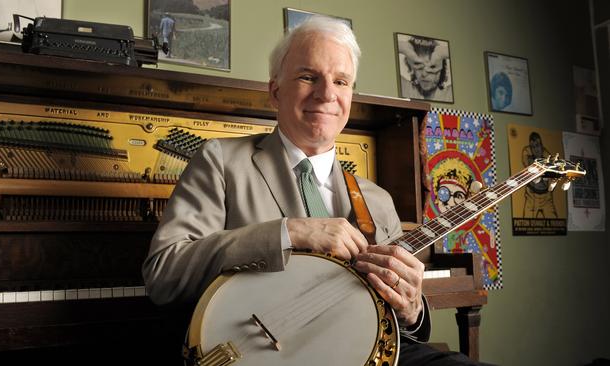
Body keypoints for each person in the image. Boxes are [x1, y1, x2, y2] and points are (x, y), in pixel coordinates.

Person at [143, 16, 484, 366]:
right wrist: (289, 231)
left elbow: (400, 326)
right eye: (308, 77)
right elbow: (164, 275)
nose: (327, 94)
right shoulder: (221, 161)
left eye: (341, 81)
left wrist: (413, 308)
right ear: (276, 91)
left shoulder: (378, 200)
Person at [398, 34, 452, 102]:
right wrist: (404, 47)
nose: (424, 74)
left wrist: (443, 52)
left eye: (432, 67)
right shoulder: (406, 89)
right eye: (419, 66)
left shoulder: (449, 95)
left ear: (441, 70)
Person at [521, 132, 558, 218]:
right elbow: (529, 165)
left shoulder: (547, 156)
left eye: (537, 145)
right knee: (526, 223)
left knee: (553, 221)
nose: (536, 149)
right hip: (531, 196)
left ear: (541, 145)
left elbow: (553, 168)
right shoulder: (527, 154)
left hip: (546, 198)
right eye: (533, 147)